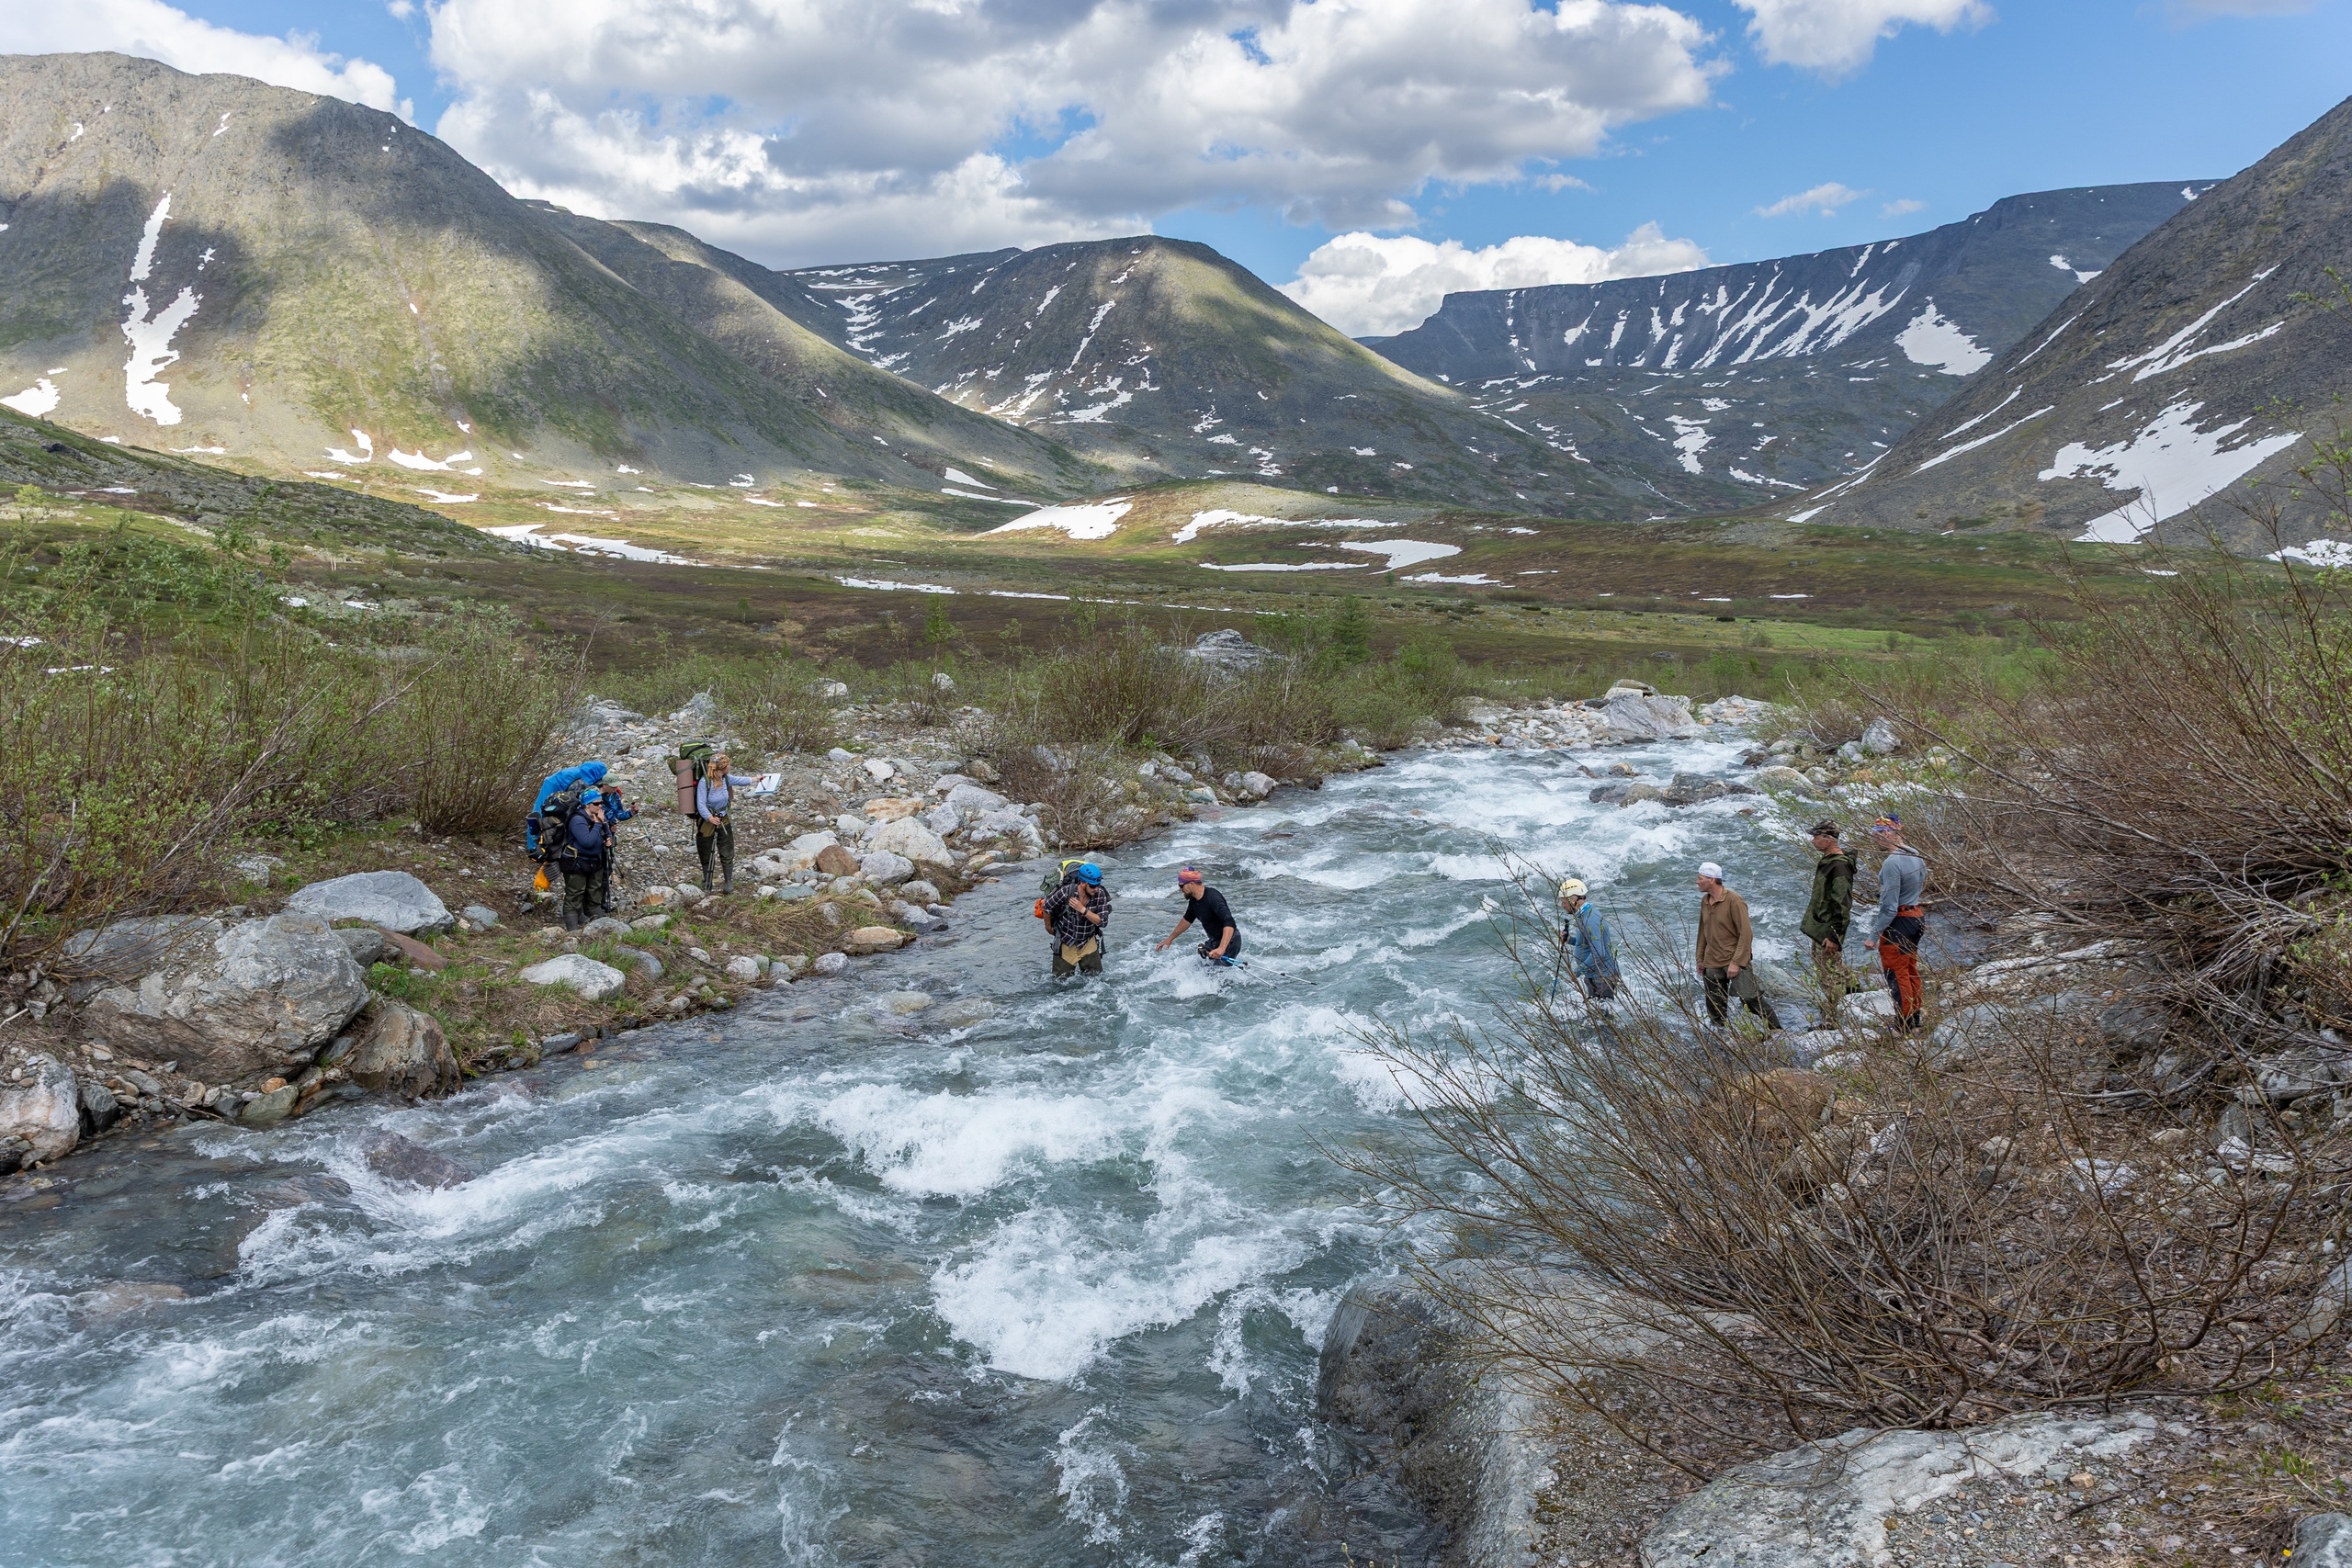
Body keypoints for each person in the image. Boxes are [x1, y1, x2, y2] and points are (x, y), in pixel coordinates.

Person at [1694, 860, 1781, 1032]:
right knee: (1715, 1004)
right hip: (1712, 961)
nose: (1697, 882)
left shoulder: (1735, 901)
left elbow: (1746, 934)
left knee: (1750, 999)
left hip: (1734, 959)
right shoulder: (1705, 901)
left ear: (1712, 880)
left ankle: (1777, 1030)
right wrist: (1700, 958)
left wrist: (1736, 962)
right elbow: (1702, 931)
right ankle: (1720, 1036)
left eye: (1700, 878)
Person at [1868, 814, 1928, 1032]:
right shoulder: (1915, 854)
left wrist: (1873, 936)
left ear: (1887, 833)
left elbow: (1889, 907)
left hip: (1899, 923)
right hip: (1916, 916)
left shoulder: (1892, 862)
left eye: (1876, 834)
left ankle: (1904, 1025)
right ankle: (1915, 1021)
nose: (1874, 839)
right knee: (1910, 970)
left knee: (1896, 973)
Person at [1798, 821, 1858, 1008]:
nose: (1813, 841)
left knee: (1830, 974)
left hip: (1828, 930)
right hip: (1821, 927)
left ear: (1829, 839)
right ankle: (1858, 998)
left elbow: (1842, 904)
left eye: (1816, 837)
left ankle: (1835, 1014)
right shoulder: (1829, 861)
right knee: (1832, 968)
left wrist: (1834, 936)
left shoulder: (1839, 866)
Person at [695, 752, 760, 895]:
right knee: (706, 849)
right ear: (722, 767)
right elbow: (701, 804)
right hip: (707, 820)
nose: (730, 767)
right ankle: (707, 880)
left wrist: (757, 779)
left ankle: (728, 883)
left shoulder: (726, 778)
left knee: (727, 847)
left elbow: (741, 780)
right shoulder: (705, 782)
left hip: (723, 817)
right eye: (728, 765)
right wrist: (709, 818)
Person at [1157, 867, 1240, 964]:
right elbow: (1187, 919)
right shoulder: (1194, 900)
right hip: (1215, 941)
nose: (1180, 889)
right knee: (1199, 967)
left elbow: (1229, 923)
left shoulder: (1213, 897)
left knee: (1216, 973)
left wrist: (1222, 948)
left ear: (1191, 884)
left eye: (1181, 886)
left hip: (1230, 941)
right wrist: (1170, 938)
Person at [1042, 863, 1111, 976]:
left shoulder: (1100, 894)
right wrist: (1048, 927)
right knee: (1060, 981)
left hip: (1088, 941)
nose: (1096, 888)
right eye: (1092, 886)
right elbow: (1047, 907)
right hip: (1066, 941)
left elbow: (1103, 922)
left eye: (1098, 885)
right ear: (1083, 883)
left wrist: (1083, 910)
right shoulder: (1067, 891)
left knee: (1095, 978)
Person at [1556, 879, 1620, 1001]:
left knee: (1602, 1012)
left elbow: (1599, 953)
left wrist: (1578, 971)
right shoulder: (1585, 915)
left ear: (1573, 900)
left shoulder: (1590, 920)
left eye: (1564, 902)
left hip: (1602, 977)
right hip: (1596, 976)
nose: (1562, 906)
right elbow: (1587, 944)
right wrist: (1569, 940)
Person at [555, 792, 609, 931]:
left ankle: (598, 926)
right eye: (596, 803)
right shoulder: (577, 820)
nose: (600, 806)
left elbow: (606, 834)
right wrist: (598, 824)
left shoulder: (599, 817)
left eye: (601, 803)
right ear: (587, 804)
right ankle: (572, 931)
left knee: (594, 894)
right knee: (574, 896)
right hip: (576, 863)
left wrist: (609, 840)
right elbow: (587, 842)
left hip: (595, 862)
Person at [527, 761, 606, 856]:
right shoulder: (582, 779)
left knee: (539, 813)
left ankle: (537, 844)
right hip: (553, 789)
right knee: (541, 816)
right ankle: (535, 848)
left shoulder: (578, 772)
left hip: (552, 786)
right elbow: (574, 796)